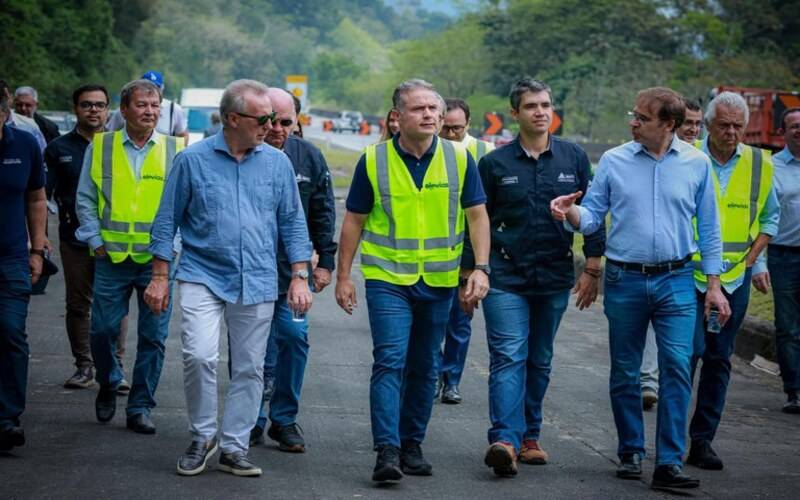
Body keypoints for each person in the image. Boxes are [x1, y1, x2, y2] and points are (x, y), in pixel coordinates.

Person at [550, 87, 729, 490]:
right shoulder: (614, 161)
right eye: (633, 114)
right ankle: (631, 449)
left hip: (678, 280)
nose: (632, 122)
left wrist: (714, 285)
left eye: (642, 118)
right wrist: (570, 212)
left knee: (677, 369)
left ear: (669, 124)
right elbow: (594, 217)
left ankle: (668, 461)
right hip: (625, 279)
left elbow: (711, 229)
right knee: (626, 371)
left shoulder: (697, 165)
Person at [145, 79, 312, 477]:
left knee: (250, 367)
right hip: (202, 273)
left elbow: (292, 222)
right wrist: (159, 276)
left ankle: (235, 446)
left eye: (276, 118)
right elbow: (166, 220)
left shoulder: (277, 164)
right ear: (233, 118)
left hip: (257, 277)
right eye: (264, 118)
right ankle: (203, 436)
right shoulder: (193, 160)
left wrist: (300, 276)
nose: (272, 126)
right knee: (199, 354)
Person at [335, 79, 490, 482]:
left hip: (438, 281)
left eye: (433, 110)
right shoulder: (373, 160)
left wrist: (481, 268)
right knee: (390, 360)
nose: (428, 115)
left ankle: (412, 444)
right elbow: (353, 220)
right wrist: (343, 276)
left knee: (425, 365)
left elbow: (477, 216)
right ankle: (386, 450)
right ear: (397, 116)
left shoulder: (459, 159)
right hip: (388, 278)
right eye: (418, 109)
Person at [477, 78, 605, 476]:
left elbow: (594, 214)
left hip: (553, 276)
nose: (541, 111)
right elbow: (476, 221)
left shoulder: (573, 159)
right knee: (508, 355)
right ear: (514, 113)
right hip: (505, 276)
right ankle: (505, 439)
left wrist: (593, 266)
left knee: (540, 358)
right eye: (531, 105)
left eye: (546, 104)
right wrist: (473, 272)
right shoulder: (495, 164)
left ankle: (530, 436)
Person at [75, 78, 184, 434]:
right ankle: (109, 380)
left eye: (155, 106)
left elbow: (187, 207)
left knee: (153, 337)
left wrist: (170, 252)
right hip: (112, 258)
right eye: (142, 105)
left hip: (157, 263)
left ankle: (140, 406)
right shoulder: (102, 145)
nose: (150, 112)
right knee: (102, 330)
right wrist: (95, 239)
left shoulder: (175, 149)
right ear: (124, 110)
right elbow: (86, 197)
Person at [685, 91, 779, 471]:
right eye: (723, 125)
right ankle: (671, 439)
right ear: (708, 125)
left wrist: (753, 261)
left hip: (735, 280)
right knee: (684, 356)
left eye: (738, 126)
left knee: (719, 360)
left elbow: (770, 221)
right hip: (687, 277)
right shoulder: (687, 158)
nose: (731, 133)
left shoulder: (760, 164)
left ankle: (702, 441)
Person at [248, 88, 337, 452]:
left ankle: (284, 420)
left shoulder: (310, 158)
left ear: (297, 122)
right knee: (253, 349)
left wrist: (326, 263)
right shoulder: (242, 155)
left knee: (293, 339)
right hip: (250, 274)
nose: (278, 129)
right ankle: (250, 418)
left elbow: (323, 210)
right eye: (272, 121)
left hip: (295, 275)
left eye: (287, 122)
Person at [45, 84, 129, 389]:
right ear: (75, 109)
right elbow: (42, 196)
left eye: (99, 105)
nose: (93, 110)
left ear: (109, 109)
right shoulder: (58, 149)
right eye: (86, 105)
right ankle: (84, 366)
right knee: (79, 304)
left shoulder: (120, 146)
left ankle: (115, 368)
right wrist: (41, 236)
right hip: (75, 239)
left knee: (113, 307)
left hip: (114, 240)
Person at [640, 97, 705, 410]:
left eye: (697, 123)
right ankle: (649, 382)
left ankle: (672, 387)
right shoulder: (649, 156)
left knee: (685, 346)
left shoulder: (699, 162)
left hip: (695, 265)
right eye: (687, 122)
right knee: (655, 326)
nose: (691, 129)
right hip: (659, 265)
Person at [435, 97, 497, 404]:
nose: (450, 135)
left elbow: (486, 214)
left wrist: (476, 265)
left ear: (468, 125)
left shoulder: (486, 153)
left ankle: (451, 379)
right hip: (433, 252)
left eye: (456, 129)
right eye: (445, 128)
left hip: (469, 253)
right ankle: (432, 373)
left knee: (460, 322)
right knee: (432, 322)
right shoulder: (430, 151)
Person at [0, 88, 47, 452]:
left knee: (11, 331)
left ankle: (6, 418)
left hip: (12, 257)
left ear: (5, 115)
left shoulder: (25, 144)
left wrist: (37, 249)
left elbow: (36, 198)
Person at [761, 107, 800, 414]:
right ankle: (794, 390)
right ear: (783, 132)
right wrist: (758, 262)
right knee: (788, 326)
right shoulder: (771, 168)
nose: (799, 130)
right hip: (783, 255)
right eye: (793, 126)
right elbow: (762, 218)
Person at [106, 71, 189, 144]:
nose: (149, 112)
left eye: (156, 87)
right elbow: (109, 132)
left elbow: (183, 136)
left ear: (162, 88)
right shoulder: (122, 111)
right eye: (141, 105)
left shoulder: (174, 109)